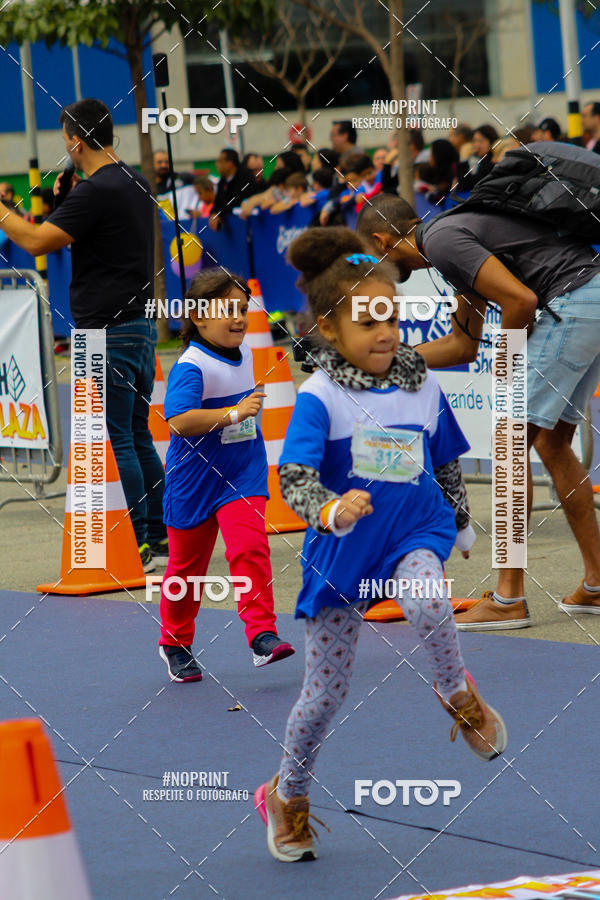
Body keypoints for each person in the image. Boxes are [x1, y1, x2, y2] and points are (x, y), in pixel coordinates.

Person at [253, 226, 507, 862]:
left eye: (391, 318)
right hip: (344, 554)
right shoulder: (320, 397)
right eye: (367, 323)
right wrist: (331, 509)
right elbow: (294, 478)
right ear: (329, 330)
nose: (385, 333)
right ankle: (288, 794)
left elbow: (444, 458)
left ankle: (455, 691)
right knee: (323, 698)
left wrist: (460, 520)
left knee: (426, 600)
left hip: (413, 530)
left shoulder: (422, 384)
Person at [357, 192, 600, 629]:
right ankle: (597, 583)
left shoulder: (443, 239)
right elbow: (462, 345)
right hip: (589, 297)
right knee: (551, 444)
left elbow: (521, 302)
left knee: (508, 444)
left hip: (572, 301)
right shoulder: (450, 242)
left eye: (370, 258)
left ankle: (508, 600)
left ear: (380, 241)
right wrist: (381, 361)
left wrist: (506, 366)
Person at [0, 98, 167, 573]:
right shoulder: (134, 180)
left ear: (76, 142)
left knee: (117, 439)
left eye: (65, 140)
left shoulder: (96, 191)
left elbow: (36, 241)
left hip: (103, 330)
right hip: (138, 326)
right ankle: (160, 535)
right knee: (137, 435)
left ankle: (136, 542)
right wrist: (64, 202)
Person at [158, 268, 295, 681]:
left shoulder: (246, 352)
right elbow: (178, 421)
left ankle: (261, 634)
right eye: (227, 310)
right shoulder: (192, 365)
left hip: (242, 473)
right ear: (199, 317)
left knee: (250, 548)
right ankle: (175, 642)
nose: (238, 318)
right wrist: (233, 414)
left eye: (242, 309)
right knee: (186, 569)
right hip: (194, 480)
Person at [210, 149, 261, 231]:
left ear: (229, 163)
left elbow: (235, 201)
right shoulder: (222, 181)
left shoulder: (246, 177)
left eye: (220, 161)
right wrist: (213, 214)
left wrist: (219, 214)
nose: (216, 164)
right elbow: (217, 203)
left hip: (250, 225)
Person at [456, 124, 498, 191]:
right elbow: (462, 186)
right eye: (474, 141)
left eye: (480, 141)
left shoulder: (494, 161)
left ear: (491, 142)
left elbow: (470, 186)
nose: (476, 145)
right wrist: (464, 159)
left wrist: (464, 161)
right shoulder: (476, 159)